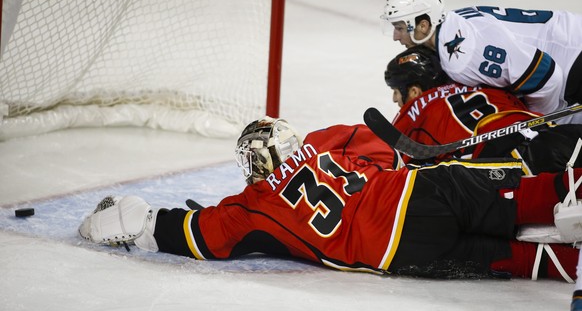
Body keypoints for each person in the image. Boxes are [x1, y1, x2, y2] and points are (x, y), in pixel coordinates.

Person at [79, 116, 582, 282]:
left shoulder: (250, 211)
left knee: (512, 261)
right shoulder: (322, 143)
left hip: (398, 256)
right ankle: (567, 201)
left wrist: (135, 220)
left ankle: (569, 267)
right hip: (417, 196)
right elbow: (390, 149)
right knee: (531, 198)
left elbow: (190, 234)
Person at [380, 0, 582, 123]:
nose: (396, 37)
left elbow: (546, 76)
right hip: (569, 40)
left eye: (399, 28)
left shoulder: (462, 59)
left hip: (574, 55)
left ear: (423, 26)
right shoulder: (451, 24)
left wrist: (541, 122)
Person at [386, 45, 582, 173]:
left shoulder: (415, 113)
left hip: (515, 160)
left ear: (414, 91)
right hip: (555, 133)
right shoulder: (488, 85)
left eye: (396, 91)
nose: (395, 98)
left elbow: (394, 167)